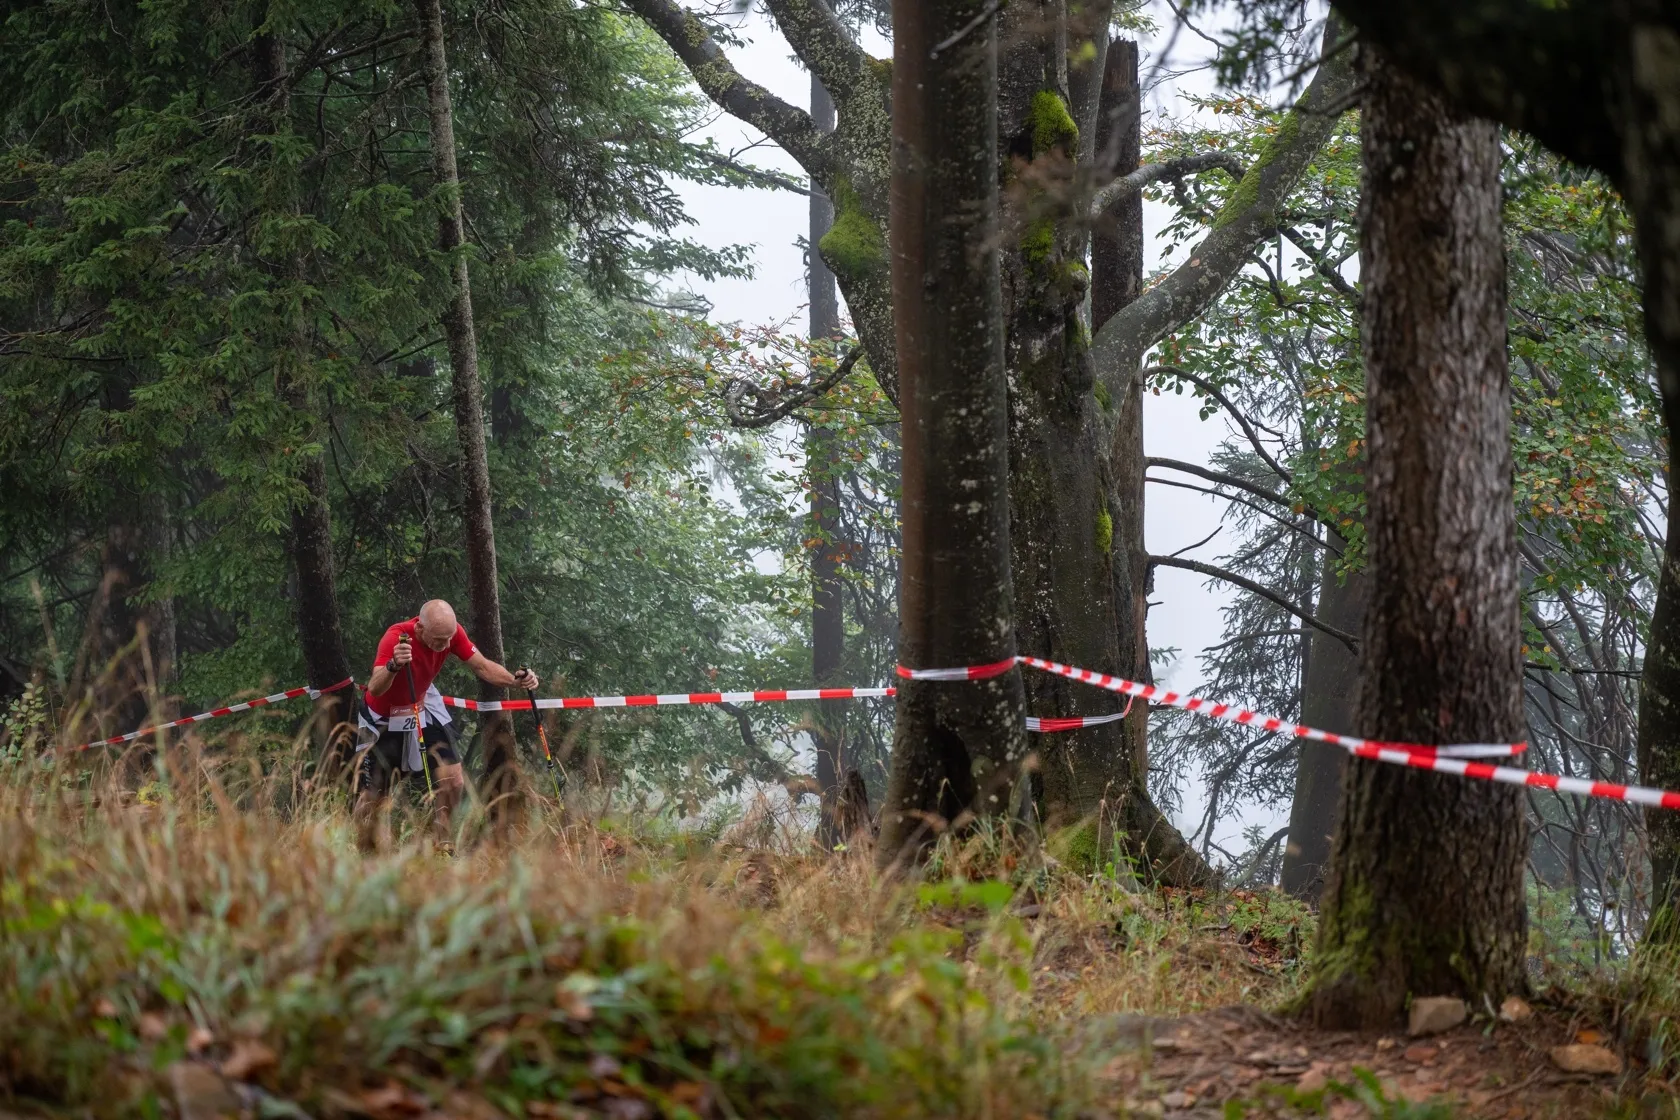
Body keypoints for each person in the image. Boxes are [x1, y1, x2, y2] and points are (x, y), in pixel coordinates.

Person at [353, 598, 537, 852]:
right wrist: (393, 665)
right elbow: (375, 687)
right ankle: (359, 846)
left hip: (421, 707)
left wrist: (514, 682)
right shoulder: (396, 637)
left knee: (453, 781)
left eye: (450, 638)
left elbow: (482, 666)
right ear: (420, 629)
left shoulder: (451, 633)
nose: (447, 645)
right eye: (439, 640)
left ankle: (442, 843)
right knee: (374, 796)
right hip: (382, 718)